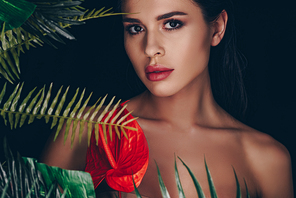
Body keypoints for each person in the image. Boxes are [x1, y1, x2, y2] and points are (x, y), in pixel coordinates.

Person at [41, 0, 294, 197]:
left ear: (216, 28)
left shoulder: (265, 159)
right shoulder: (89, 130)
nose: (150, 48)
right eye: (136, 29)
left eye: (172, 23)